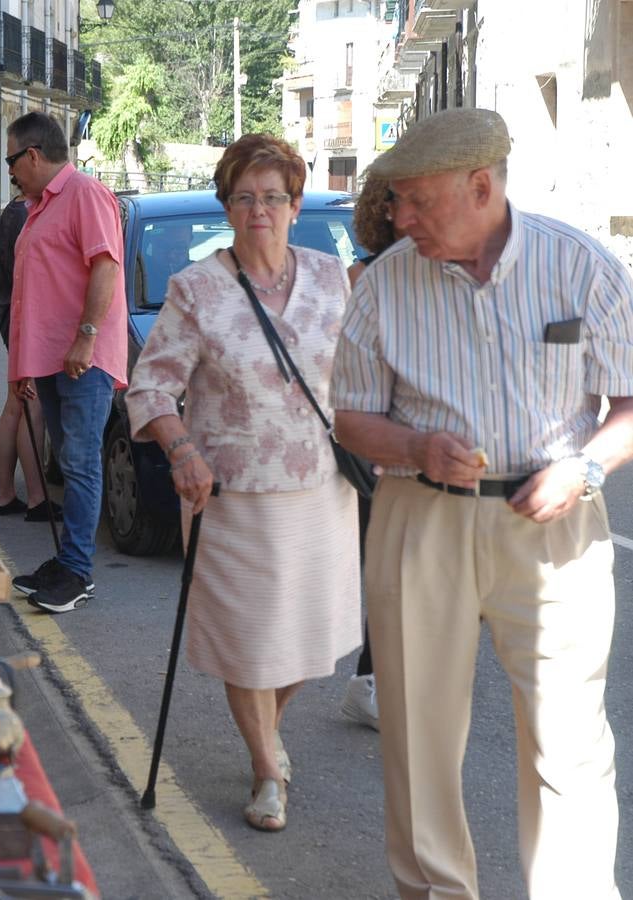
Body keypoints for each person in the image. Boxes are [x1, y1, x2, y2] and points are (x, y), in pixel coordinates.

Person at [331, 107, 633, 899]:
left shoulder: (578, 267)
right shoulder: (383, 285)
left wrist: (586, 470)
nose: (399, 218)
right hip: (421, 513)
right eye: (394, 202)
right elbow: (351, 416)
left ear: (480, 186)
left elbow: (630, 402)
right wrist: (413, 447)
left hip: (557, 517)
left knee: (569, 743)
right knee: (415, 732)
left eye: (416, 202)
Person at [125, 133, 362, 832]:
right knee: (249, 639)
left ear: (294, 205)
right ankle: (265, 768)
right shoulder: (196, 289)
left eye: (272, 197)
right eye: (243, 197)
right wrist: (179, 452)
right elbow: (150, 387)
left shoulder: (329, 277)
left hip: (322, 489)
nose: (258, 209)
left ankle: (269, 729)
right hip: (228, 493)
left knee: (307, 641)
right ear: (227, 207)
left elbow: (356, 374)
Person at [3, 111, 127, 614]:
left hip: (81, 359)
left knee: (79, 462)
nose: (10, 170)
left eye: (12, 159)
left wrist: (86, 338)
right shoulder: (39, 206)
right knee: (71, 461)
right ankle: (67, 561)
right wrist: (22, 366)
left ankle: (77, 571)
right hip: (51, 358)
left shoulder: (85, 194)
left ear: (33, 155)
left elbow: (105, 266)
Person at [339, 176, 402, 732]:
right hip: (379, 447)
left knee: (398, 572)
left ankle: (374, 676)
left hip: (407, 447)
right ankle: (371, 678)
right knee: (390, 571)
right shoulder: (365, 277)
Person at [0, 190, 57, 522]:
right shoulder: (25, 213)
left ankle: (7, 495)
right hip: (25, 321)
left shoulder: (11, 210)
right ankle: (35, 498)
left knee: (16, 403)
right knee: (31, 403)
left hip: (14, 318)